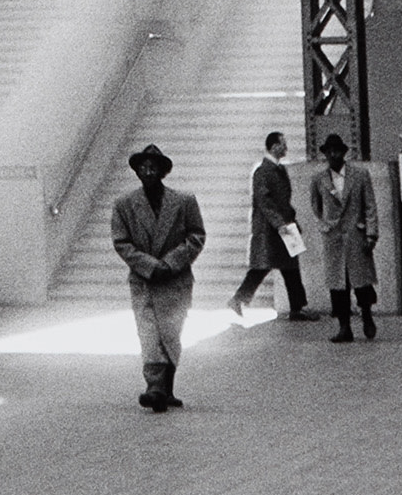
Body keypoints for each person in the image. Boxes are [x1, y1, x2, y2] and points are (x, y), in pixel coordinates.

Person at [111, 144, 206, 412]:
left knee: (171, 334)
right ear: (137, 171)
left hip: (175, 281)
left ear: (163, 171)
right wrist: (151, 266)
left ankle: (167, 390)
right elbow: (122, 242)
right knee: (149, 334)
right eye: (143, 167)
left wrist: (171, 263)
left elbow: (196, 236)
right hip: (144, 282)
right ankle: (155, 387)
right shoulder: (124, 205)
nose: (148, 171)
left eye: (154, 167)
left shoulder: (184, 202)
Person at [227, 132, 320, 322]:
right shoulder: (263, 172)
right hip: (272, 230)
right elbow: (265, 202)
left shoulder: (276, 170)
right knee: (267, 267)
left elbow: (279, 201)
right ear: (274, 146)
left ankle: (296, 307)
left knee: (286, 268)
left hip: (281, 228)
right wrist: (281, 223)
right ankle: (240, 299)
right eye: (283, 144)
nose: (286, 147)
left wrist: (289, 222)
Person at [309, 131, 379, 342]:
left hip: (356, 236)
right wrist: (326, 224)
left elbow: (370, 205)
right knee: (338, 285)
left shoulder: (360, 175)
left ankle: (366, 315)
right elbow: (315, 206)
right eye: (329, 152)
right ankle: (344, 327)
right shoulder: (319, 179)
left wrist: (371, 233)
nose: (333, 155)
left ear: (343, 153)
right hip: (334, 239)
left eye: (337, 151)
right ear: (325, 155)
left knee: (361, 282)